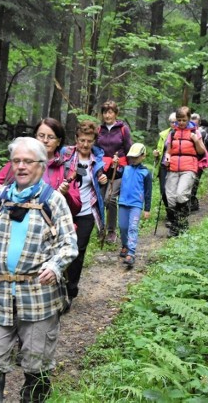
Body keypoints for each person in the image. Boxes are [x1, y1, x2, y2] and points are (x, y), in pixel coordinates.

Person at [0, 137, 78, 403]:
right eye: (16, 161)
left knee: (36, 366)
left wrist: (55, 266)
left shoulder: (53, 201)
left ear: (41, 166)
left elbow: (69, 244)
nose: (20, 166)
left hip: (39, 295)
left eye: (27, 161)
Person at [0, 118, 81, 216]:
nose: (45, 140)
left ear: (58, 141)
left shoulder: (65, 168)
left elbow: (76, 208)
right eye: (41, 136)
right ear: (35, 137)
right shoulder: (19, 161)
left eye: (51, 137)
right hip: (13, 220)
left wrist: (66, 195)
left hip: (49, 225)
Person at [59, 121, 107, 306]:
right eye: (82, 140)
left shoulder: (98, 159)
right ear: (76, 139)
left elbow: (99, 184)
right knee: (60, 248)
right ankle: (58, 287)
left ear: (94, 140)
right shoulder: (66, 154)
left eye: (89, 141)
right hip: (64, 210)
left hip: (87, 211)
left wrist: (102, 180)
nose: (85, 145)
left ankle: (71, 290)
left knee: (77, 251)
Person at [163, 106, 207, 237]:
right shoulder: (172, 133)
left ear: (188, 119)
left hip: (189, 168)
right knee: (170, 197)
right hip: (173, 167)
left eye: (184, 120)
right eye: (179, 120)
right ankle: (176, 223)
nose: (181, 122)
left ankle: (179, 225)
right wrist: (167, 156)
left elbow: (201, 151)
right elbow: (169, 150)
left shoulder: (195, 132)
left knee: (181, 195)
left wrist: (195, 140)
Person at [95, 100, 133, 244]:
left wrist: (130, 170)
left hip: (119, 170)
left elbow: (129, 149)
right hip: (103, 169)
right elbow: (95, 151)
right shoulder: (99, 130)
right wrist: (98, 171)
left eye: (110, 112)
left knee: (109, 199)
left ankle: (111, 231)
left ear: (116, 114)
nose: (107, 115)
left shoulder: (123, 129)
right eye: (105, 112)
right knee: (99, 199)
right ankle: (101, 228)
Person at [118, 143, 152, 267]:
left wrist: (147, 209)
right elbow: (115, 175)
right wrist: (114, 165)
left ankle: (131, 253)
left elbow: (148, 192)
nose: (133, 159)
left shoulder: (146, 173)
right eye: (131, 157)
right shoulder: (125, 169)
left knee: (133, 227)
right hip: (123, 202)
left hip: (136, 204)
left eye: (136, 157)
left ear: (143, 156)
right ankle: (125, 245)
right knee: (122, 227)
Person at [153, 112, 176, 226]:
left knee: (172, 191)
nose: (174, 124)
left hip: (175, 167)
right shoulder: (164, 134)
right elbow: (159, 148)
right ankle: (169, 212)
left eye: (175, 122)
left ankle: (174, 214)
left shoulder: (182, 134)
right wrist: (156, 153)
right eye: (172, 122)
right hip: (163, 166)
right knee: (163, 191)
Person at [188, 113, 208, 211]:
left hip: (199, 161)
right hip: (188, 161)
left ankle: (192, 202)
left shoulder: (203, 133)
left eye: (195, 121)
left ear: (199, 122)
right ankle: (189, 202)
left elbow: (205, 148)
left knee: (195, 182)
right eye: (191, 120)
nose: (193, 122)